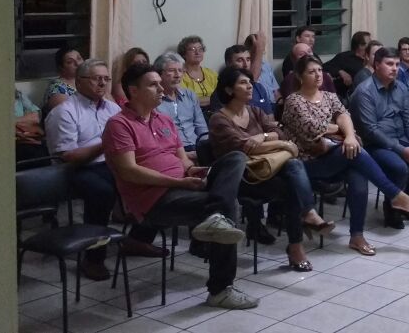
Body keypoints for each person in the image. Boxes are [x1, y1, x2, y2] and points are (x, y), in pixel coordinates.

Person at [102, 62, 259, 309]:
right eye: (153, 85)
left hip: (183, 185)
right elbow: (129, 171)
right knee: (228, 207)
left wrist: (192, 170)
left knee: (235, 158)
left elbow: (183, 160)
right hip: (155, 200)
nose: (161, 89)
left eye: (160, 84)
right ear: (133, 91)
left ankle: (214, 219)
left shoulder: (164, 120)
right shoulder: (119, 125)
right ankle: (220, 290)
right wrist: (178, 181)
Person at [281, 55, 409, 254]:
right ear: (300, 76)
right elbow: (313, 128)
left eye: (320, 70)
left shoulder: (329, 96)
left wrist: (348, 135)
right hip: (306, 164)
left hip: (333, 156)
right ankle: (394, 194)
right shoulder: (294, 100)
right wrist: (337, 128)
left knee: (356, 168)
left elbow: (344, 115)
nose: (318, 75)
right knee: (355, 154)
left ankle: (357, 236)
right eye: (311, 72)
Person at [44, 59, 163, 280]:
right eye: (96, 79)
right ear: (79, 82)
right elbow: (68, 157)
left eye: (106, 79)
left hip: (110, 162)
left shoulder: (112, 108)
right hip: (76, 169)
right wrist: (107, 143)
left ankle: (138, 239)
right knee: (103, 192)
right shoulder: (65, 111)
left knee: (155, 176)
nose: (102, 83)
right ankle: (93, 259)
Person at [209, 66, 333, 271]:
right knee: (293, 186)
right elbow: (244, 146)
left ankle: (305, 221)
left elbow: (279, 131)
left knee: (293, 166)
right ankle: (299, 239)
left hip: (267, 170)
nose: (250, 86)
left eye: (250, 82)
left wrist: (264, 136)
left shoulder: (254, 111)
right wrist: (282, 145)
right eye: (243, 83)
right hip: (242, 179)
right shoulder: (219, 119)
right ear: (229, 90)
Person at [350, 47, 409, 228]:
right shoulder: (364, 91)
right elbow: (371, 130)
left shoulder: (401, 87)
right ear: (376, 65)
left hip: (401, 137)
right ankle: (392, 209)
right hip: (374, 144)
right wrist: (402, 150)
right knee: (399, 167)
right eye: (389, 64)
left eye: (396, 64)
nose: (394, 68)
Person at [154, 52, 208, 154]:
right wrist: (183, 155)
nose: (178, 75)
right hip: (174, 152)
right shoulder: (154, 101)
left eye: (180, 70)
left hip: (198, 148)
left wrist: (205, 149)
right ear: (159, 74)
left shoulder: (190, 95)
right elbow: (158, 138)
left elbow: (201, 127)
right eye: (171, 70)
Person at [211, 44, 274, 114]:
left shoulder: (259, 87)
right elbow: (222, 118)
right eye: (240, 60)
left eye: (248, 59)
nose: (246, 64)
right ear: (228, 63)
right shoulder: (222, 92)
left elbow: (270, 115)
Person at [323, 30, 372, 98]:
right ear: (360, 45)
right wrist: (340, 71)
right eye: (369, 44)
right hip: (346, 96)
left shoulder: (371, 59)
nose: (371, 46)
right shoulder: (345, 57)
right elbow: (325, 67)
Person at [178, 35, 217, 106]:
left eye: (200, 49)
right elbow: (185, 101)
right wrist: (213, 99)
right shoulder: (179, 75)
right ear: (184, 54)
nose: (197, 52)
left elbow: (221, 96)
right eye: (192, 49)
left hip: (215, 109)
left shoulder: (211, 73)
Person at [42, 45, 84, 112]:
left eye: (79, 58)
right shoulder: (57, 89)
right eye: (70, 62)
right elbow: (67, 114)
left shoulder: (85, 82)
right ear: (61, 68)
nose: (77, 63)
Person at [245, 32, 281, 102]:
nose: (262, 49)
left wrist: (280, 99)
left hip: (273, 102)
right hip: (259, 104)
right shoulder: (246, 66)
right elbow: (253, 79)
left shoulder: (266, 65)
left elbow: (275, 88)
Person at [14, 89, 47, 163]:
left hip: (28, 139)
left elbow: (35, 117)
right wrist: (25, 119)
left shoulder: (19, 95)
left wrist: (14, 121)